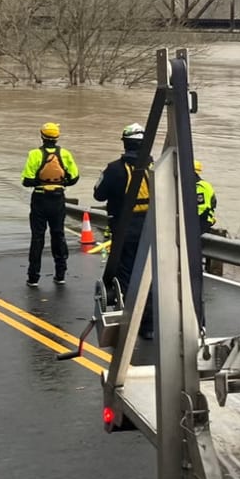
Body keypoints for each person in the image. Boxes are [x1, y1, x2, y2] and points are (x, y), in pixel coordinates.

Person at [93, 122, 153, 334]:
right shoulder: (156, 169)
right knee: (149, 275)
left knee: (125, 275)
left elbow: (98, 194)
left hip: (124, 229)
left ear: (125, 143)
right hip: (151, 229)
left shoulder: (115, 169)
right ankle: (149, 326)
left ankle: (131, 323)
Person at [20, 122, 80, 287]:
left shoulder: (34, 154)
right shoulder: (65, 154)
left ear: (42, 136)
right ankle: (60, 275)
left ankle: (33, 277)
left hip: (39, 199)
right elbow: (74, 178)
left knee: (37, 238)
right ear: (57, 137)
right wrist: (62, 182)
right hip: (58, 199)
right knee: (58, 234)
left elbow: (26, 181)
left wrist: (40, 181)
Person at [194, 159, 217, 233]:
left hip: (202, 221)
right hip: (202, 219)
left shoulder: (200, 186)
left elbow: (201, 208)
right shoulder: (203, 184)